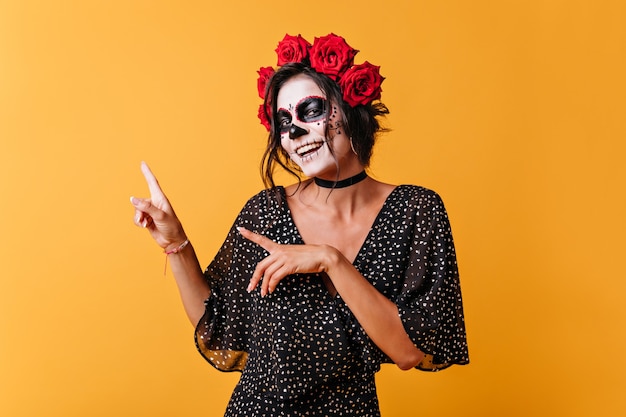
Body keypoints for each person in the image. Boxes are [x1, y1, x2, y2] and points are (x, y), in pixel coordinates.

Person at [130, 33, 468, 416]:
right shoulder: (266, 213)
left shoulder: (415, 210)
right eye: (282, 121)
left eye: (310, 111)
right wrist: (175, 243)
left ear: (350, 108)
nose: (292, 134)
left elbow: (409, 351)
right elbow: (217, 320)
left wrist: (331, 260)